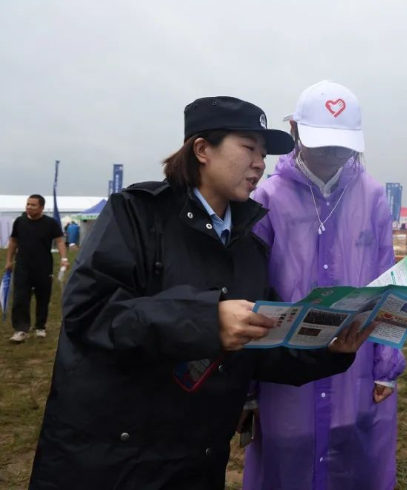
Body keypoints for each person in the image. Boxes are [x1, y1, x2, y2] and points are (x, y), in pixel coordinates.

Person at [29, 96, 373, 490]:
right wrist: (209, 320)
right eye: (249, 148)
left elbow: (265, 344)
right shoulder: (136, 214)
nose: (260, 164)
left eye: (263, 154)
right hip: (114, 458)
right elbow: (90, 313)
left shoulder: (249, 248)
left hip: (197, 460)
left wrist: (329, 351)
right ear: (202, 149)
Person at [243, 81, 405, 490]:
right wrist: (249, 384)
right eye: (322, 143)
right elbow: (253, 288)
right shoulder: (267, 198)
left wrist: (386, 365)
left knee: (352, 453)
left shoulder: (371, 196)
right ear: (295, 130)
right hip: (287, 360)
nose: (333, 154)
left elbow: (387, 281)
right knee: (288, 454)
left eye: (342, 145)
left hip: (355, 357)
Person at [4, 194, 67, 342]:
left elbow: (59, 241)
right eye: (28, 204)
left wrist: (64, 259)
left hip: (43, 266)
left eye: (33, 205)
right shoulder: (19, 221)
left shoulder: (50, 223)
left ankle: (40, 327)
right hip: (22, 266)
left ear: (41, 207)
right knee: (20, 298)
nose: (29, 207)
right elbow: (13, 241)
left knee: (43, 298)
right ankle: (20, 330)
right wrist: (9, 261)